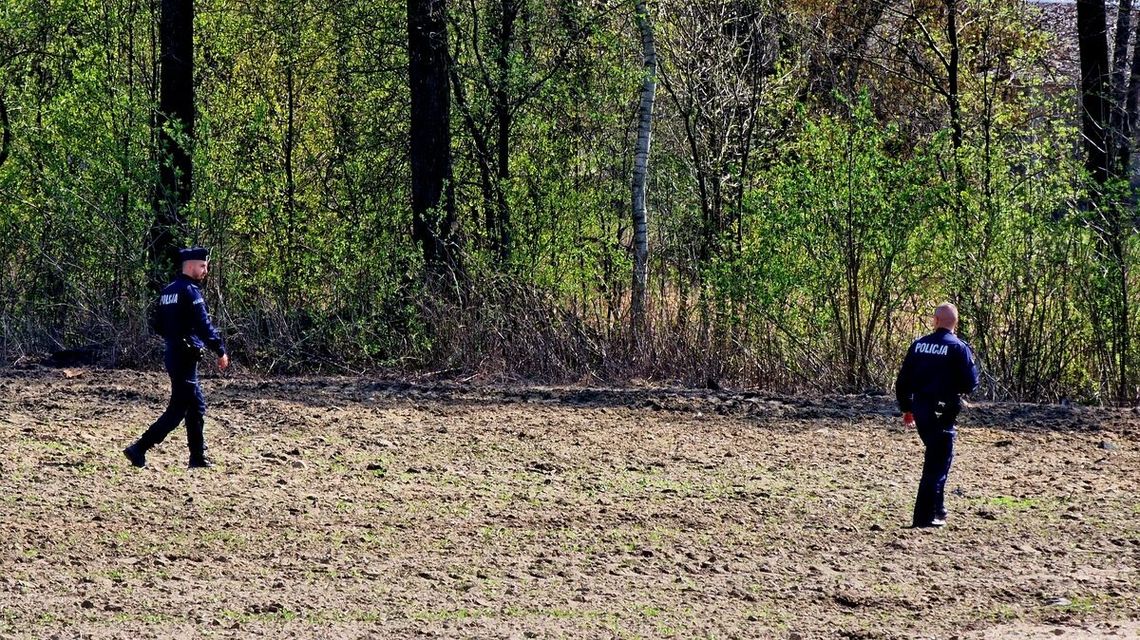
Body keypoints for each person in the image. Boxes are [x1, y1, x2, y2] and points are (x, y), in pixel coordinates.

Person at [124, 247, 229, 469]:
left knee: (196, 406)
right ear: (190, 265)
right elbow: (203, 325)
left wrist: (175, 338)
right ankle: (139, 448)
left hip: (173, 353)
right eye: (203, 266)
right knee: (178, 409)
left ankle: (197, 458)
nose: (205, 271)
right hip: (185, 356)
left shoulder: (167, 291)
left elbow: (157, 325)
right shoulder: (190, 292)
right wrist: (219, 349)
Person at [895, 303, 979, 528]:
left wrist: (907, 408)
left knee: (936, 455)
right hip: (944, 409)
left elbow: (903, 381)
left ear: (935, 321)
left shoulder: (918, 345)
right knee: (938, 463)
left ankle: (939, 510)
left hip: (921, 409)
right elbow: (971, 383)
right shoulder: (959, 348)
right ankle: (925, 517)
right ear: (955, 323)